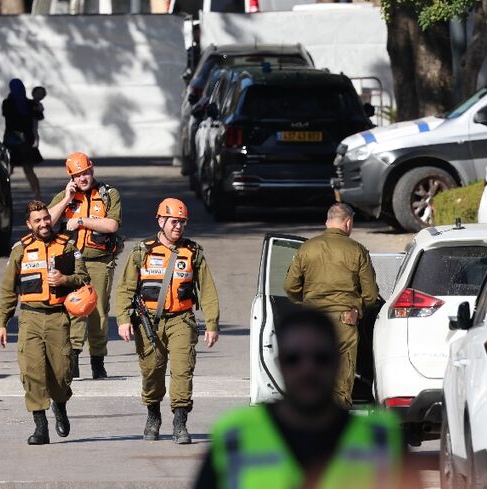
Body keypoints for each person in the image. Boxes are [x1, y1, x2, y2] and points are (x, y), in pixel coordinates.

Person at [194, 309, 416, 489]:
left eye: (320, 358)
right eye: (294, 359)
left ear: (339, 362)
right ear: (280, 363)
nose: (307, 369)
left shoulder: (382, 441)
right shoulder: (234, 438)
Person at [114, 198, 220, 444]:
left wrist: (212, 323)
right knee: (151, 372)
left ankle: (180, 421)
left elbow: (207, 290)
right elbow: (125, 288)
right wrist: (123, 319)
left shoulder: (193, 252)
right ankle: (153, 415)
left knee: (183, 369)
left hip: (181, 319)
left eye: (182, 222)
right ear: (161, 221)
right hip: (147, 321)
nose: (178, 227)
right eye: (173, 222)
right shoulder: (142, 251)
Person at [0, 200, 89, 445]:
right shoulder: (21, 250)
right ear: (29, 224)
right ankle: (40, 427)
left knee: (61, 374)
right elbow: (7, 290)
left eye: (46, 218)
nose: (44, 223)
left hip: (58, 317)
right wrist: (2, 323)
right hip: (30, 319)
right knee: (32, 372)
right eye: (38, 220)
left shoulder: (66, 246)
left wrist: (65, 279)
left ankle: (60, 405)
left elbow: (83, 279)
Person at [283, 203, 378, 409]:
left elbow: (290, 287)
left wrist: (306, 303)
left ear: (327, 222)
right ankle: (335, 425)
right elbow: (371, 295)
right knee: (341, 380)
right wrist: (356, 309)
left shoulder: (307, 248)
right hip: (344, 322)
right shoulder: (357, 251)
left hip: (312, 322)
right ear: (348, 222)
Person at [48, 152, 122, 379]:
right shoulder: (65, 195)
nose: (83, 178)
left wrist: (81, 221)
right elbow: (47, 222)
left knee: (98, 312)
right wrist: (65, 201)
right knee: (73, 309)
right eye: (77, 175)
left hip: (99, 261)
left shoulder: (109, 194)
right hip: (72, 263)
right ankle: (74, 359)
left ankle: (97, 361)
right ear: (71, 177)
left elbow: (111, 226)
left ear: (92, 170)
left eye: (86, 172)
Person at [2, 79, 41, 201]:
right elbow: (39, 116)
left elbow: (7, 116)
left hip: (11, 140)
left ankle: (1, 194)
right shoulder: (29, 104)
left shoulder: (7, 103)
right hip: (26, 141)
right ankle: (37, 195)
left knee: (7, 170)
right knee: (29, 170)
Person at [30, 86, 47, 165]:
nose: (39, 95)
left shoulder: (39, 105)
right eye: (38, 93)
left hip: (34, 130)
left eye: (41, 94)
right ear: (33, 93)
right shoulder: (29, 103)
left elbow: (40, 117)